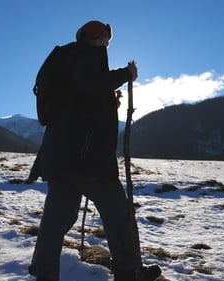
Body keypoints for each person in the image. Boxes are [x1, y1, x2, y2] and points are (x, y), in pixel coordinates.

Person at [28, 20, 161, 281]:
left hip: (60, 155)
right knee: (117, 213)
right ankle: (130, 272)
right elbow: (89, 86)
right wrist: (124, 75)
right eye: (105, 39)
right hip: (86, 158)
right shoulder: (84, 54)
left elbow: (83, 98)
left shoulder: (69, 61)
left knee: (57, 218)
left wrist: (108, 99)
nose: (107, 44)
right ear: (94, 37)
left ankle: (44, 272)